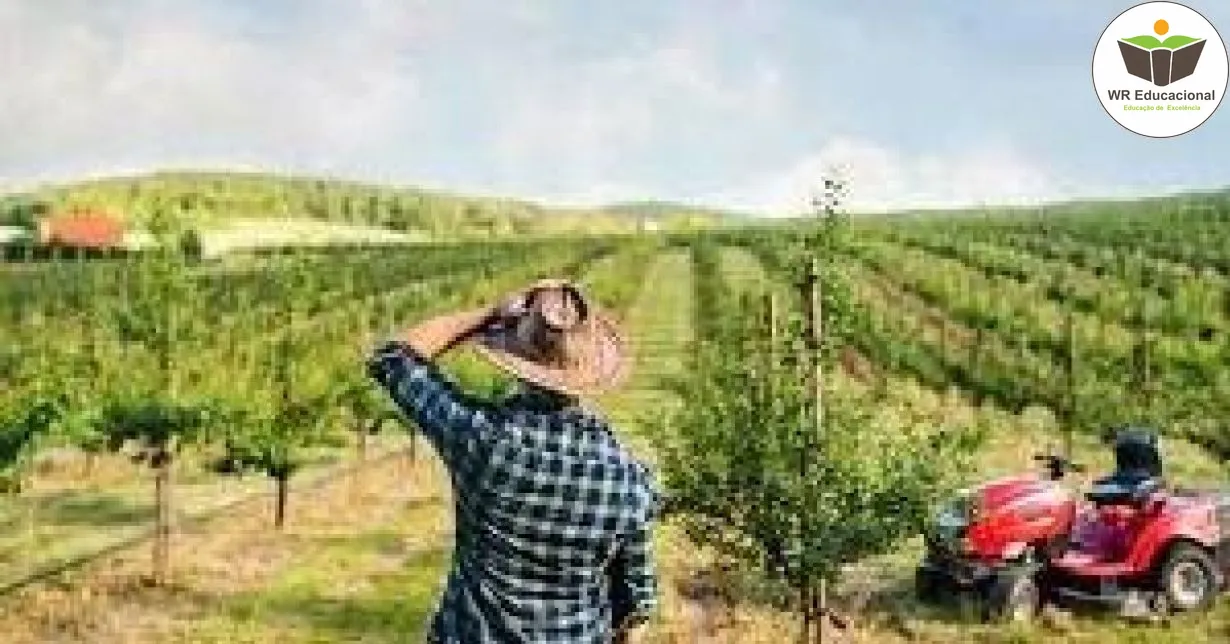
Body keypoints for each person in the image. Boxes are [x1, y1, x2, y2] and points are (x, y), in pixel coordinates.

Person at [366, 279, 660, 643]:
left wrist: (488, 314)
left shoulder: (479, 437)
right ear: (591, 368)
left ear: (516, 358)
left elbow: (394, 358)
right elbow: (636, 607)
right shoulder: (630, 483)